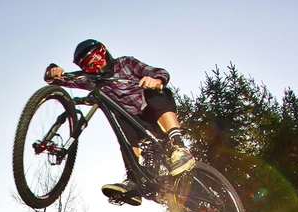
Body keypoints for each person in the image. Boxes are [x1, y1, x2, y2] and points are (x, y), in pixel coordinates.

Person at [44, 39, 196, 202]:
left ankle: (179, 147)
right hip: (134, 124)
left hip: (153, 114)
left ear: (103, 52)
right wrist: (52, 71)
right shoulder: (91, 79)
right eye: (88, 66)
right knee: (120, 119)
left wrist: (156, 80)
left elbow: (159, 72)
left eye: (95, 59)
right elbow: (58, 79)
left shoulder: (125, 63)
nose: (95, 67)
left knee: (156, 93)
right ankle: (134, 181)